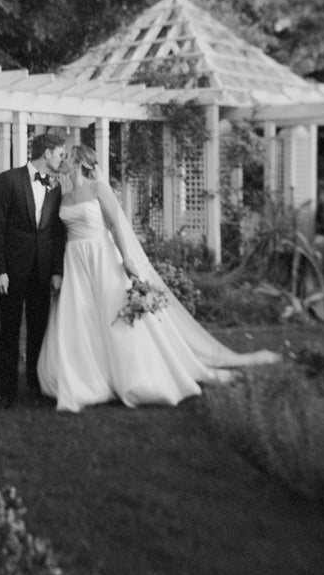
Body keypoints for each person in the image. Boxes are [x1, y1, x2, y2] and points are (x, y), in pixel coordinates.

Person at [37, 145, 281, 413]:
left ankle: (133, 375)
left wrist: (127, 259)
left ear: (81, 162)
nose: (64, 162)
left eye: (68, 157)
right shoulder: (63, 195)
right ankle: (88, 377)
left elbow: (116, 225)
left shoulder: (98, 189)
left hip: (102, 256)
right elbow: (57, 235)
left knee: (112, 313)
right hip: (75, 260)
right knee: (80, 318)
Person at [0, 132, 67, 409]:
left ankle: (35, 385)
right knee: (9, 330)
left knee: (39, 329)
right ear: (46, 153)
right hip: (11, 271)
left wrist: (57, 270)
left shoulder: (56, 186)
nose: (62, 159)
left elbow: (57, 232)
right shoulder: (9, 180)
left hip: (43, 271)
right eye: (60, 154)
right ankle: (7, 391)